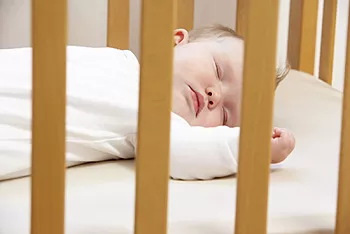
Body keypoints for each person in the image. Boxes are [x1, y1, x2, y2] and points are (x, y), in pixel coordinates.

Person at [0, 24, 295, 181]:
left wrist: (251, 145)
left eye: (226, 115)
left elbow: (181, 154)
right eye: (218, 71)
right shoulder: (118, 59)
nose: (213, 96)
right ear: (176, 40)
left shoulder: (157, 119)